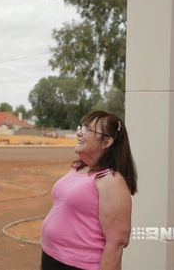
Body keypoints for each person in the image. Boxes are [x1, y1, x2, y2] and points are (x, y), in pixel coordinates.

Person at [41, 111, 137, 270]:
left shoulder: (111, 181)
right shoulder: (79, 169)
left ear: (106, 142)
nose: (79, 132)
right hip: (53, 257)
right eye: (81, 127)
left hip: (78, 265)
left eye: (87, 130)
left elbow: (116, 243)